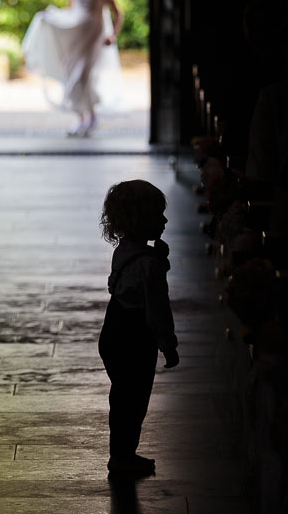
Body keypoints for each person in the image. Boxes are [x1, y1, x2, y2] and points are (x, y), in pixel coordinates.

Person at [98, 179, 179, 475]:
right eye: (158, 215)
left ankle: (121, 453)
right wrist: (168, 343)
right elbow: (157, 309)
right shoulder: (149, 264)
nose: (165, 220)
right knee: (134, 401)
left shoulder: (124, 251)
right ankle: (123, 457)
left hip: (114, 331)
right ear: (142, 219)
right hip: (135, 339)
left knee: (121, 398)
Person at [22, 0, 125, 136]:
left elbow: (117, 13)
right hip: (76, 37)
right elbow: (73, 13)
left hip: (92, 40)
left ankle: (87, 116)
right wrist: (53, 20)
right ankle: (85, 116)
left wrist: (113, 35)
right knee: (73, 75)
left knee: (82, 76)